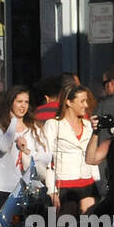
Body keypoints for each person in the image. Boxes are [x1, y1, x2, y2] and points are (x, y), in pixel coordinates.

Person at [0, 85, 52, 206]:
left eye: (26, 102)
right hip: (5, 189)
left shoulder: (34, 128)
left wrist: (27, 151)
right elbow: (3, 146)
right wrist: (13, 121)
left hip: (29, 188)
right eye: (19, 102)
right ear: (10, 103)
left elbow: (47, 157)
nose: (23, 106)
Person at [43, 84, 99, 214]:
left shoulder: (88, 125)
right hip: (64, 185)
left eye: (87, 101)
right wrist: (51, 190)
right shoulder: (53, 125)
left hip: (88, 183)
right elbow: (47, 161)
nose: (86, 105)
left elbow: (92, 156)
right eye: (82, 101)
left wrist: (98, 182)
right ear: (69, 102)